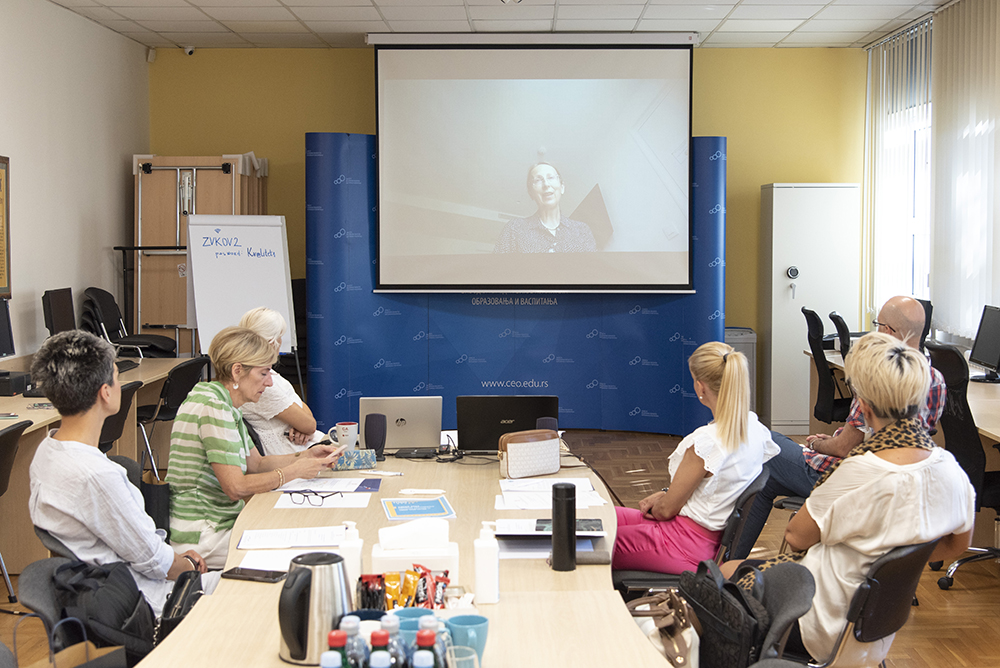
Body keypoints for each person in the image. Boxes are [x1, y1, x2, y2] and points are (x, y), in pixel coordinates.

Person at [723, 333, 975, 664]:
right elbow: (957, 544)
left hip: (817, 621)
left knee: (723, 574)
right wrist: (891, 561)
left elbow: (796, 537)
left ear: (865, 409)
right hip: (874, 629)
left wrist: (865, 553)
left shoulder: (860, 471)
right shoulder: (951, 470)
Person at [733, 295, 945, 560]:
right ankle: (731, 561)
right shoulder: (936, 380)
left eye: (878, 325)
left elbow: (845, 449)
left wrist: (816, 443)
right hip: (901, 487)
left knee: (766, 447)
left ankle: (728, 562)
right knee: (767, 477)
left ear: (889, 331)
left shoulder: (876, 379)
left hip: (856, 481)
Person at [28, 330, 218, 616]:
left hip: (112, 588)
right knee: (259, 588)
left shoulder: (47, 449)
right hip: (150, 602)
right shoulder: (97, 476)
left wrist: (175, 558)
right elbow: (156, 563)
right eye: (117, 377)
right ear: (105, 392)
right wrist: (187, 564)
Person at [167, 326, 344, 569]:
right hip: (205, 534)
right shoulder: (214, 408)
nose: (269, 383)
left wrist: (305, 456)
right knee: (302, 550)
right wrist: (295, 471)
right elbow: (236, 488)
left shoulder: (222, 403)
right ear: (237, 371)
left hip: (220, 524)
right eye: (263, 373)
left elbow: (257, 464)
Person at [611, 341, 779, 574]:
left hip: (681, 544)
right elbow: (713, 488)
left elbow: (665, 512)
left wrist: (663, 503)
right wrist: (667, 496)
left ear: (701, 387)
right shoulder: (754, 428)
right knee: (602, 516)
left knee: (586, 541)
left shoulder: (706, 442)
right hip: (703, 539)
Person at [238, 307, 323, 455]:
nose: (281, 342)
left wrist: (303, 426)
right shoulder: (260, 382)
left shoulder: (266, 374)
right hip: (293, 453)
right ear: (271, 342)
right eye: (280, 337)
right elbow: (310, 424)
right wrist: (304, 426)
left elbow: (303, 410)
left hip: (302, 448)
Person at [493, 162, 598, 253]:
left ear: (562, 187)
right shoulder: (515, 229)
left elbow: (593, 268)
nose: (546, 184)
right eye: (538, 180)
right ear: (531, 193)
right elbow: (496, 267)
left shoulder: (582, 230)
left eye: (551, 177)